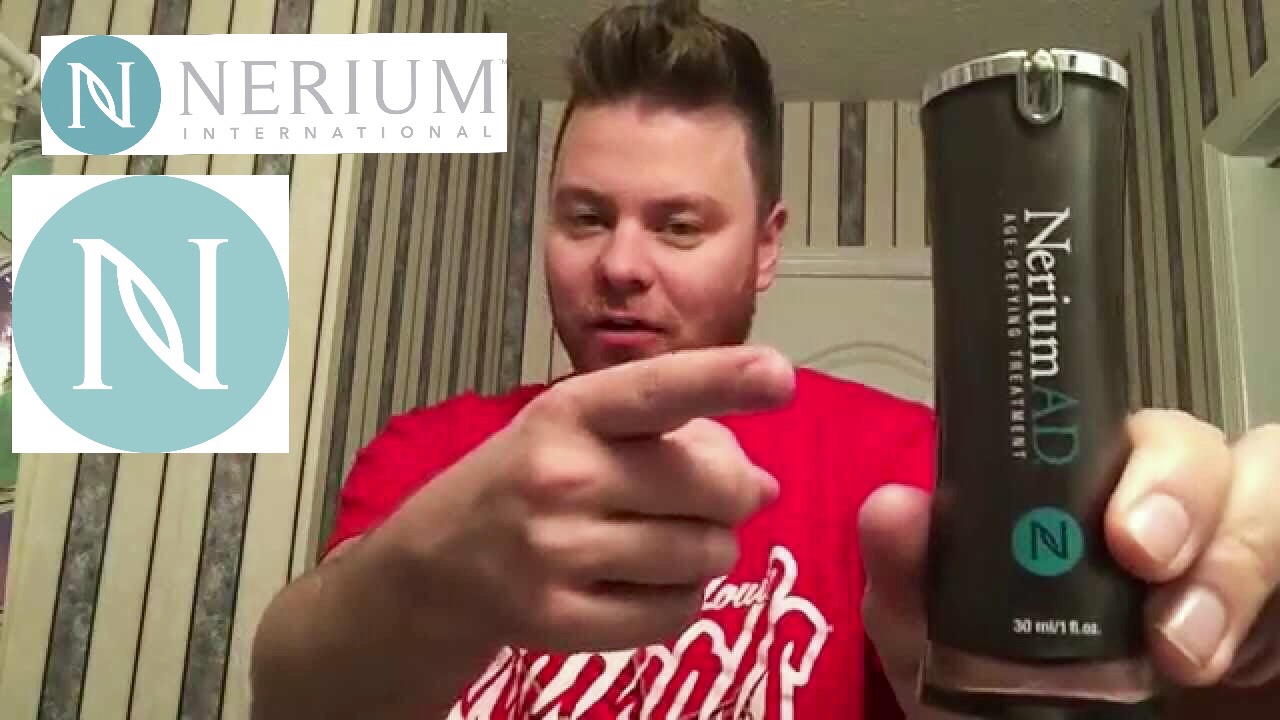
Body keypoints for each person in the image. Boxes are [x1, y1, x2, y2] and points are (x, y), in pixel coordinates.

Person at [249, 1, 1280, 718]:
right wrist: (430, 575)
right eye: (585, 217)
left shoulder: (917, 471)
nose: (620, 264)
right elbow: (290, 694)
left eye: (679, 225)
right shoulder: (433, 451)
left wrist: (1221, 644)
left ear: (767, 247)